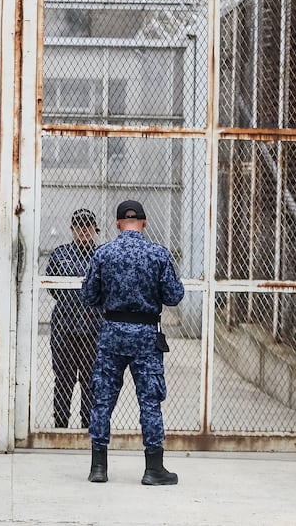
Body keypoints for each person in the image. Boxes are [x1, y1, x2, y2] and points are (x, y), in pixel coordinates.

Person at [80, 199, 184, 486]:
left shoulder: (103, 253)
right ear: (145, 222)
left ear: (116, 223)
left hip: (112, 332)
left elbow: (88, 296)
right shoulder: (158, 254)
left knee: (102, 399)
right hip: (146, 335)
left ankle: (98, 467)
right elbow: (174, 296)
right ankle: (153, 468)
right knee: (149, 401)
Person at [45, 208, 102, 428]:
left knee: (90, 379)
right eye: (79, 226)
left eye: (88, 225)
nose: (83, 230)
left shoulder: (101, 255)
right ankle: (61, 422)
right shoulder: (60, 254)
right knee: (63, 378)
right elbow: (52, 287)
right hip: (64, 327)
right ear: (71, 229)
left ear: (94, 228)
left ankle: (88, 423)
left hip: (93, 328)